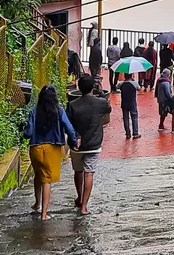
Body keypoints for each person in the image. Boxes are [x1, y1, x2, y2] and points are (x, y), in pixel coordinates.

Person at [24, 84, 78, 220]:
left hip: (35, 148)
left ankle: (37, 203)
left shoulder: (33, 112)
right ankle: (44, 214)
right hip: (51, 149)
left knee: (38, 175)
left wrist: (24, 131)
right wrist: (72, 142)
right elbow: (70, 129)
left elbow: (28, 133)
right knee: (46, 180)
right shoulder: (59, 111)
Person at [66, 74, 111, 216]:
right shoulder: (100, 103)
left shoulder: (72, 105)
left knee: (78, 171)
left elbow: (68, 124)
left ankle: (79, 198)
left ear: (79, 88)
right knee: (89, 173)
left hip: (76, 146)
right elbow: (108, 108)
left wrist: (77, 136)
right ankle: (84, 206)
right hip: (94, 144)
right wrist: (101, 91)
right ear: (93, 86)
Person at [117, 72, 141, 139]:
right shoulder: (134, 83)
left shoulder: (121, 84)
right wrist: (133, 80)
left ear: (124, 76)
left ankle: (127, 134)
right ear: (131, 76)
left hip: (124, 103)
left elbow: (117, 86)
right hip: (132, 103)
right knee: (134, 118)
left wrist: (124, 81)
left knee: (126, 118)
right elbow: (139, 88)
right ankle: (135, 133)